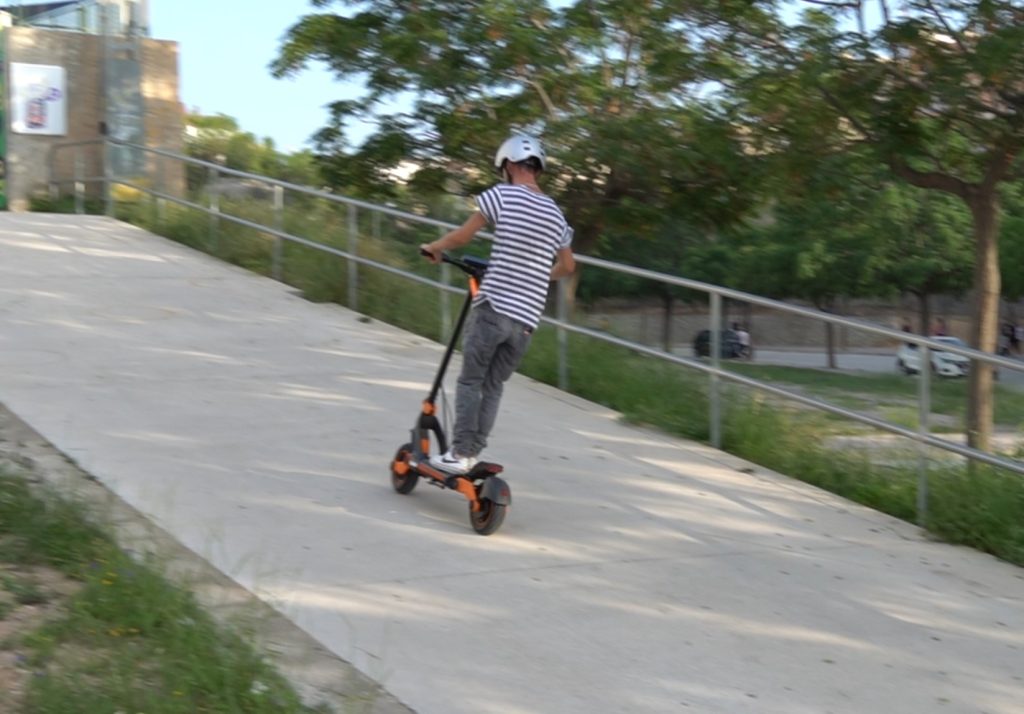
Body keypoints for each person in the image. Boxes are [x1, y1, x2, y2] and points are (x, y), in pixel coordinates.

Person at [419, 134, 575, 474]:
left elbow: (463, 236)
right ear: (537, 168)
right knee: (493, 386)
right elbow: (567, 266)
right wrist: (537, 276)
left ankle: (459, 454)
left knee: (470, 381)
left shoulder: (501, 195)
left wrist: (435, 247)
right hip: (526, 321)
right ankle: (471, 453)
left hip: (494, 309)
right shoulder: (556, 214)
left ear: (509, 164)